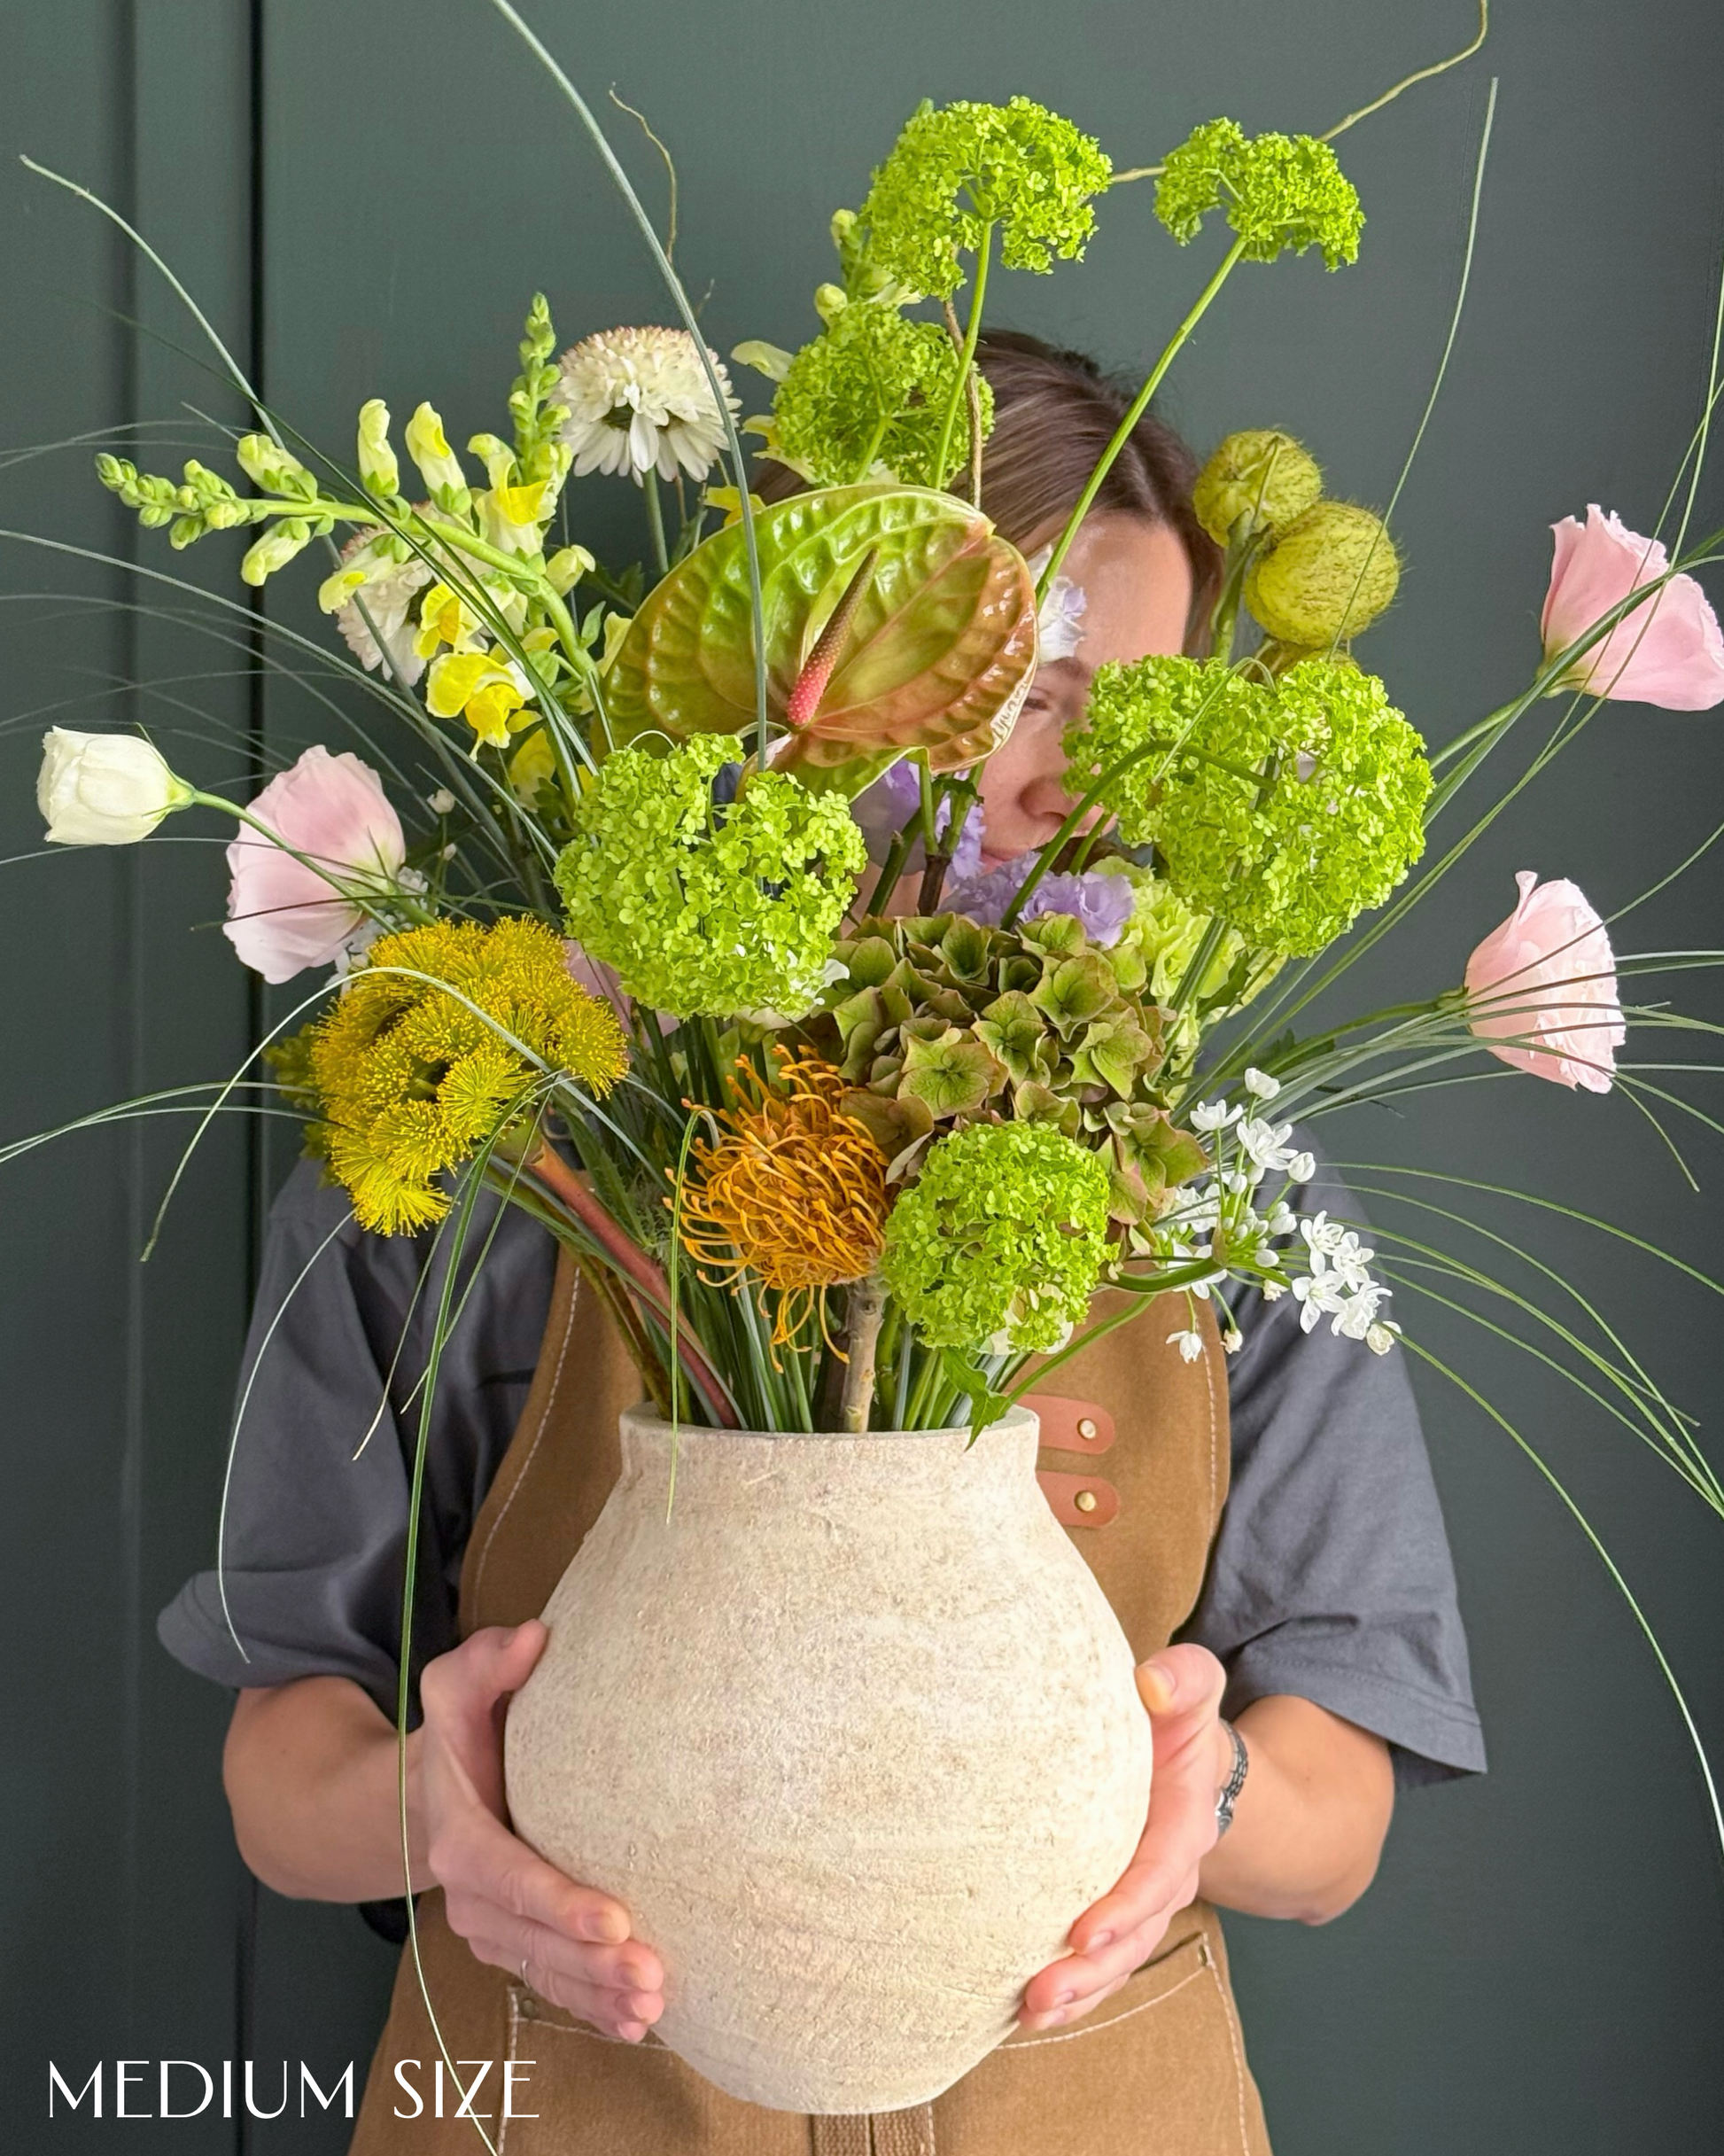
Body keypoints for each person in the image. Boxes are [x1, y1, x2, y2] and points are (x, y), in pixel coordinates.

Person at [161, 331, 1484, 2152]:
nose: (1078, 781)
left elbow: (1339, 1807)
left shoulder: (1224, 1179)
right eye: (1025, 686)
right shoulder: (487, 1124)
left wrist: (1209, 1785)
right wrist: (424, 1808)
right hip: (565, 2098)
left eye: (1148, 712)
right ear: (793, 671)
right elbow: (274, 1768)